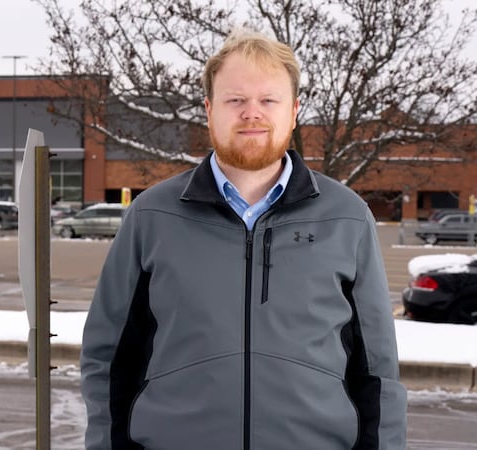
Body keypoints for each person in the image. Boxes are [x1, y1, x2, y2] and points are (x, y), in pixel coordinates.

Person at [80, 27, 407, 449]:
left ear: (294, 111)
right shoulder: (151, 216)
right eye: (235, 100)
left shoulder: (347, 217)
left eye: (268, 100)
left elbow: (378, 370)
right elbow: (107, 357)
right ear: (209, 109)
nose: (251, 113)